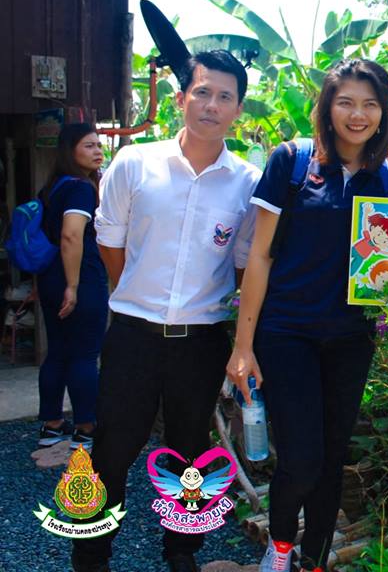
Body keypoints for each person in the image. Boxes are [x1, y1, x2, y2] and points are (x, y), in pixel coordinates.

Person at [226, 59, 388, 572]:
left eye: (371, 104)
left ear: (385, 112)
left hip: (351, 336)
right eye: (345, 102)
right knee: (301, 457)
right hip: (287, 332)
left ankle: (315, 559)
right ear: (327, 107)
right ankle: (280, 547)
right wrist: (243, 346)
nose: (357, 114)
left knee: (332, 455)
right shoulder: (292, 161)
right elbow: (261, 256)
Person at [72, 50, 261, 572]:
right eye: (202, 92)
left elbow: (244, 265)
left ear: (238, 109)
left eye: (225, 96)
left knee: (189, 453)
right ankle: (90, 555)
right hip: (133, 335)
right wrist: (139, 296)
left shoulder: (247, 183)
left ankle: (182, 552)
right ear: (181, 98)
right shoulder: (135, 163)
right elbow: (110, 243)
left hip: (201, 343)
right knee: (112, 448)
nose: (212, 105)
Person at [36, 123, 108, 451]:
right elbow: (71, 235)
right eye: (89, 145)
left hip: (50, 277)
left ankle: (52, 425)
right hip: (79, 279)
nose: (98, 151)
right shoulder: (80, 188)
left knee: (58, 351)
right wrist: (74, 285)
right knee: (84, 354)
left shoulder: (51, 188)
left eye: (98, 145)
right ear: (70, 151)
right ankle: (85, 428)